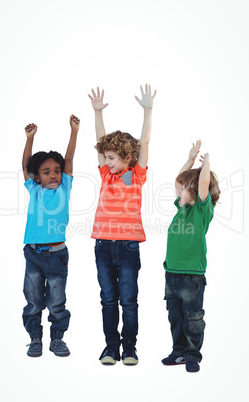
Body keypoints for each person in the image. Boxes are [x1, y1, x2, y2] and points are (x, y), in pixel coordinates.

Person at [88, 85, 156, 365]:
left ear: (127, 158)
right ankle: (110, 347)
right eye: (105, 157)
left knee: (128, 300)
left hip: (128, 247)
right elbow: (100, 139)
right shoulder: (106, 175)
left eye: (112, 158)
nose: (106, 161)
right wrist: (97, 112)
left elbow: (145, 142)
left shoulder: (136, 175)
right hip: (103, 245)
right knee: (107, 300)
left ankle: (129, 347)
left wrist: (148, 110)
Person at [22, 114, 80, 357]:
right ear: (37, 177)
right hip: (33, 254)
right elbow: (25, 165)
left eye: (56, 171)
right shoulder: (34, 189)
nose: (54, 175)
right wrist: (29, 139)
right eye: (46, 172)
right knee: (34, 299)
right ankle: (35, 338)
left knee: (56, 301)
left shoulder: (65, 187)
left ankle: (57, 339)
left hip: (57, 255)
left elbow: (68, 159)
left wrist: (74, 131)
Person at [162, 140, 220, 372]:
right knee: (175, 316)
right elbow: (179, 179)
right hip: (171, 273)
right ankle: (178, 352)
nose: (178, 190)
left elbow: (203, 182)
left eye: (184, 189)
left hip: (191, 277)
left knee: (192, 318)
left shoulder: (200, 211)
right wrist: (189, 159)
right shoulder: (182, 208)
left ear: (196, 193)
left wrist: (205, 164)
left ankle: (192, 354)